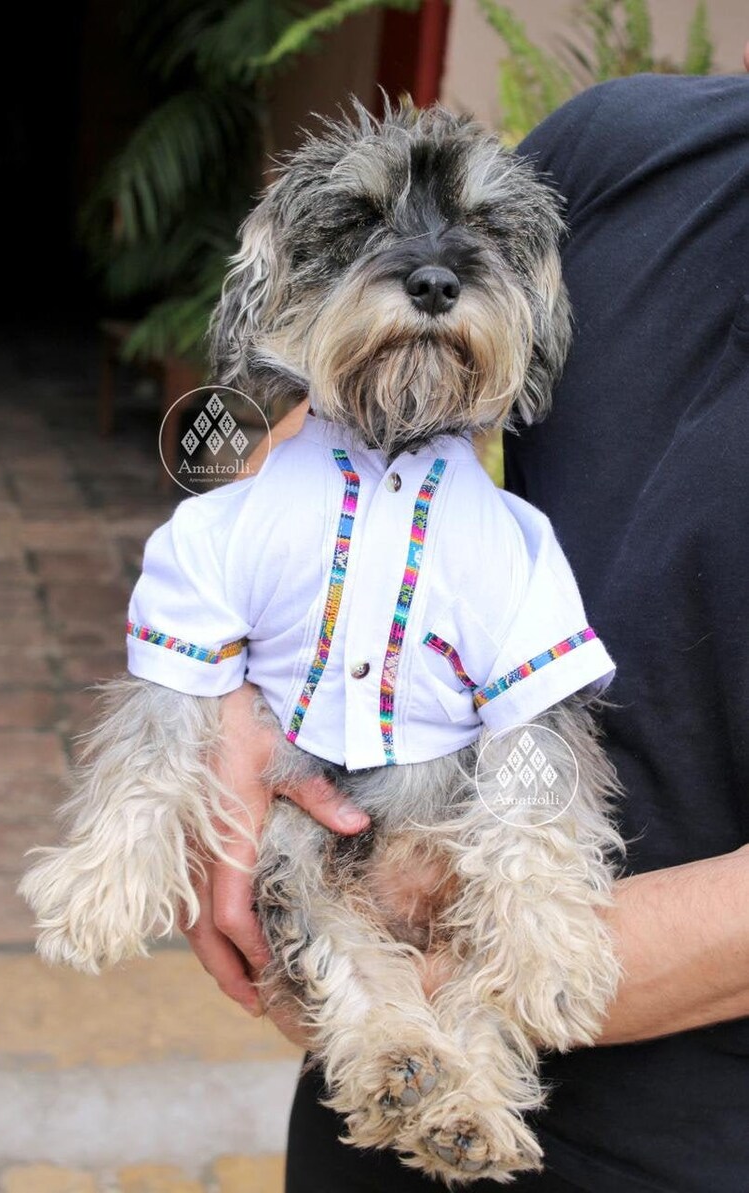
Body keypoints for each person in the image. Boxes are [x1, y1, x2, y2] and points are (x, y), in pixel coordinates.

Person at [184, 68, 749, 1192]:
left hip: (686, 1130)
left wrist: (417, 979)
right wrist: (229, 687)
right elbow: (254, 413)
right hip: (367, 1110)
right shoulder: (622, 152)